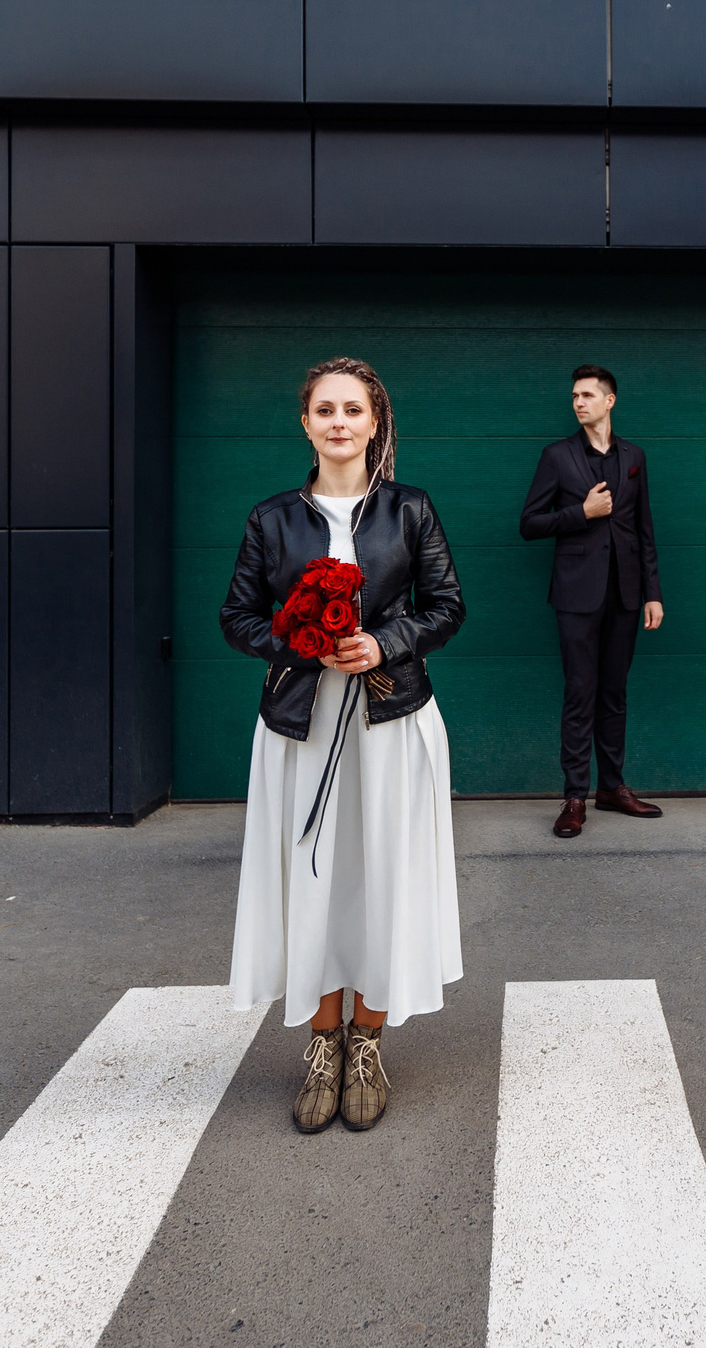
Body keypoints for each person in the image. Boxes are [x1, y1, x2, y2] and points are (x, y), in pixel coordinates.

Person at [223, 357, 465, 1134]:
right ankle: (323, 1043)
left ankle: (369, 1040)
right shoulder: (271, 520)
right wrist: (299, 642)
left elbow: (448, 605)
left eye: (352, 409)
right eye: (324, 409)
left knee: (380, 874)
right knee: (314, 879)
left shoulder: (410, 509)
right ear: (305, 422)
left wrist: (384, 642)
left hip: (391, 724)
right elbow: (237, 618)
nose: (338, 422)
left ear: (373, 421)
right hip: (300, 726)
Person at [518, 364, 665, 839]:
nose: (578, 402)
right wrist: (580, 513)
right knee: (580, 693)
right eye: (574, 396)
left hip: (624, 595)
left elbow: (644, 532)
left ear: (609, 401)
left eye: (587, 395)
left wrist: (652, 594)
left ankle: (613, 787)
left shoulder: (634, 456)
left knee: (614, 694)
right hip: (577, 595)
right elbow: (529, 523)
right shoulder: (557, 457)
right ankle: (575, 795)